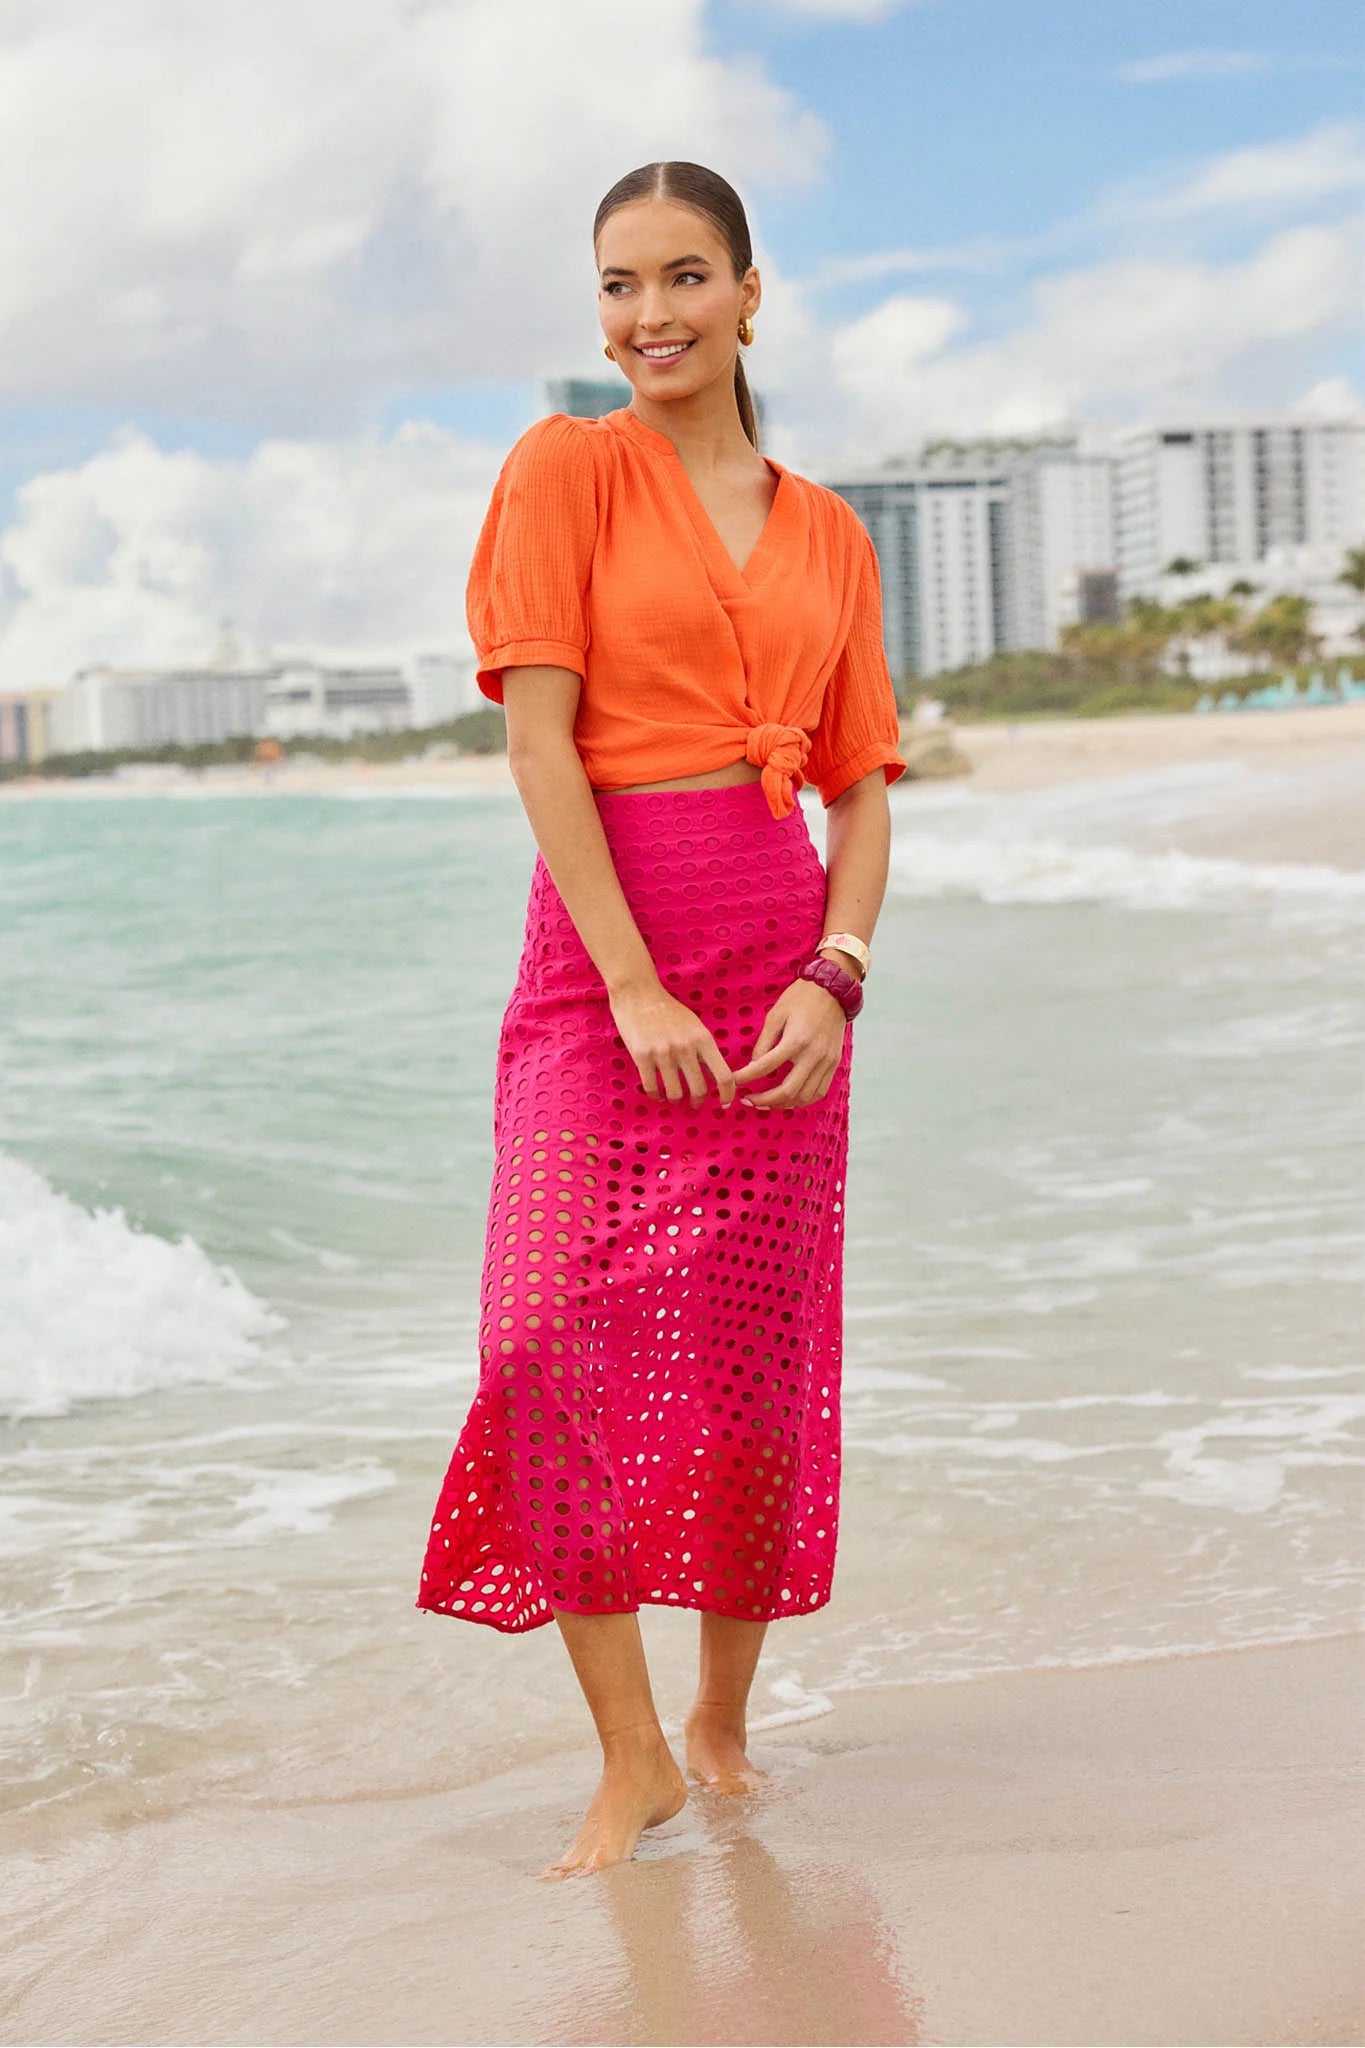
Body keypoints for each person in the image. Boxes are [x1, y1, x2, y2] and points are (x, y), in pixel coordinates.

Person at [414, 159, 906, 1880]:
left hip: (774, 977)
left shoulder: (831, 531)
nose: (649, 318)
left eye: (684, 278)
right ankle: (628, 1759)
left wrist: (834, 977)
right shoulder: (566, 471)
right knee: (538, 1340)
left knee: (753, 1378)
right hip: (595, 974)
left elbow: (858, 794)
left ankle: (720, 1723)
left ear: (751, 293)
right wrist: (624, 983)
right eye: (618, 287)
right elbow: (540, 743)